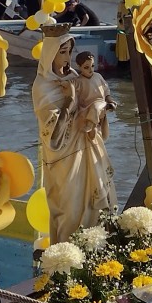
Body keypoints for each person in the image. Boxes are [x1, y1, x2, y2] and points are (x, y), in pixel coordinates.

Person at [32, 25, 117, 244]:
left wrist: (100, 107)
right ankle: (67, 257)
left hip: (86, 145)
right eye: (62, 52)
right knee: (69, 207)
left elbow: (91, 99)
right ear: (50, 54)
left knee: (91, 203)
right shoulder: (42, 86)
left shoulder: (74, 77)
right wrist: (70, 101)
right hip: (62, 157)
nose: (67, 57)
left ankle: (93, 249)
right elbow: (54, 136)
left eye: (69, 51)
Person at [74, 50, 117, 140]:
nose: (91, 70)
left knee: (96, 107)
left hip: (101, 106)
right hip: (85, 110)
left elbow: (106, 90)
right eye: (86, 67)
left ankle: (91, 123)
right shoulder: (78, 81)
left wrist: (110, 100)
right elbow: (74, 96)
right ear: (79, 67)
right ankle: (91, 125)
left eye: (92, 66)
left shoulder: (98, 76)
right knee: (93, 109)